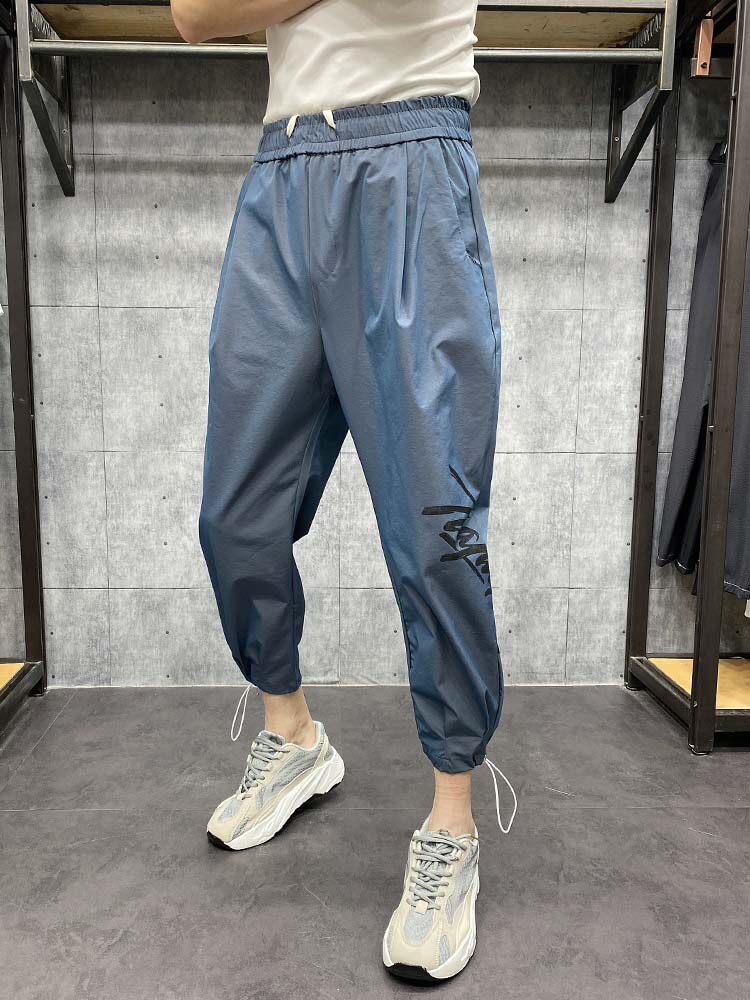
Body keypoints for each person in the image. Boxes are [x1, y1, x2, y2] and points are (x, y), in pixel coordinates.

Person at [171, 0, 515, 981]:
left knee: (435, 523)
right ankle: (293, 735)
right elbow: (194, 13)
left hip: (412, 167)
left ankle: (453, 818)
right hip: (282, 172)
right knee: (236, 512)